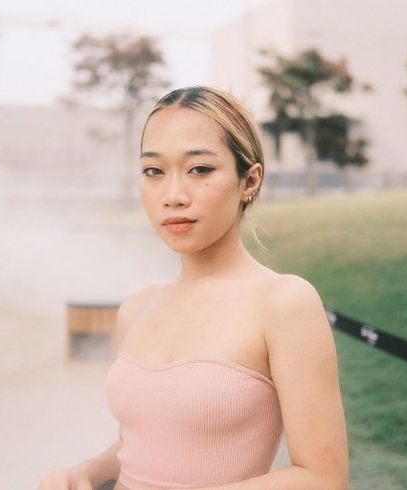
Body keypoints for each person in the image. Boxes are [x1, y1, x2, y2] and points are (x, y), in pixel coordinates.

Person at [38, 86, 349, 490]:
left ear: (249, 180)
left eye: (199, 169)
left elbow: (323, 478)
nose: (173, 196)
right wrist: (86, 472)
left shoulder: (283, 303)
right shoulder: (138, 307)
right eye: (154, 171)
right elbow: (139, 445)